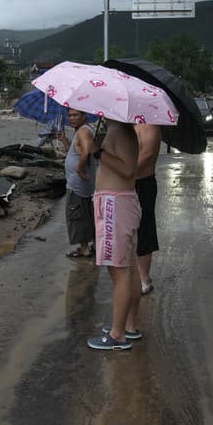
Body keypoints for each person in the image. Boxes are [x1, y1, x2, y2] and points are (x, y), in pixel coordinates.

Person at [87, 119, 142, 351]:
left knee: (119, 270)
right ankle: (127, 326)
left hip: (115, 205)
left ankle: (118, 335)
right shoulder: (118, 130)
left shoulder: (121, 131)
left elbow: (129, 169)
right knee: (126, 268)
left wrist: (98, 151)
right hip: (116, 202)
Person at [57, 109, 98, 258]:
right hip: (80, 184)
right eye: (69, 115)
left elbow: (86, 151)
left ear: (84, 116)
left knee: (77, 215)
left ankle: (84, 249)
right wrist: (64, 140)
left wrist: (80, 169)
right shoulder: (81, 131)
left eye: (75, 115)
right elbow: (75, 152)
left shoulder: (83, 131)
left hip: (77, 185)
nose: (71, 118)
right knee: (86, 214)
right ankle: (91, 246)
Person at [134, 123, 162, 295]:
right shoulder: (132, 125)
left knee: (144, 228)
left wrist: (125, 173)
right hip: (129, 182)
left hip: (142, 182)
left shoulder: (151, 126)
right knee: (131, 232)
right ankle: (135, 274)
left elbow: (147, 154)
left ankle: (144, 278)